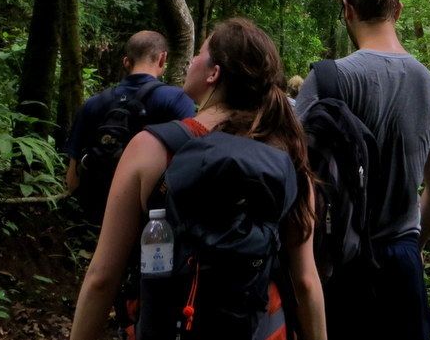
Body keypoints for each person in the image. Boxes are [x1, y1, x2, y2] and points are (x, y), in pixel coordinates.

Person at [69, 18, 326, 340]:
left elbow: (102, 277)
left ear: (213, 73)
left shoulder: (151, 149)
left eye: (200, 53)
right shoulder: (286, 156)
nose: (191, 60)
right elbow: (305, 281)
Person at [295, 0, 430, 340]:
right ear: (397, 10)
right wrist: (413, 245)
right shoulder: (428, 83)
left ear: (346, 9)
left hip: (339, 263)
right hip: (402, 261)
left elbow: (294, 176)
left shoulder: (328, 80)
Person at [64, 30, 195, 197]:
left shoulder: (92, 104)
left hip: (97, 207)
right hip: (151, 209)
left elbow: (72, 179)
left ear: (126, 62)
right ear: (163, 58)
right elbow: (190, 160)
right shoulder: (177, 99)